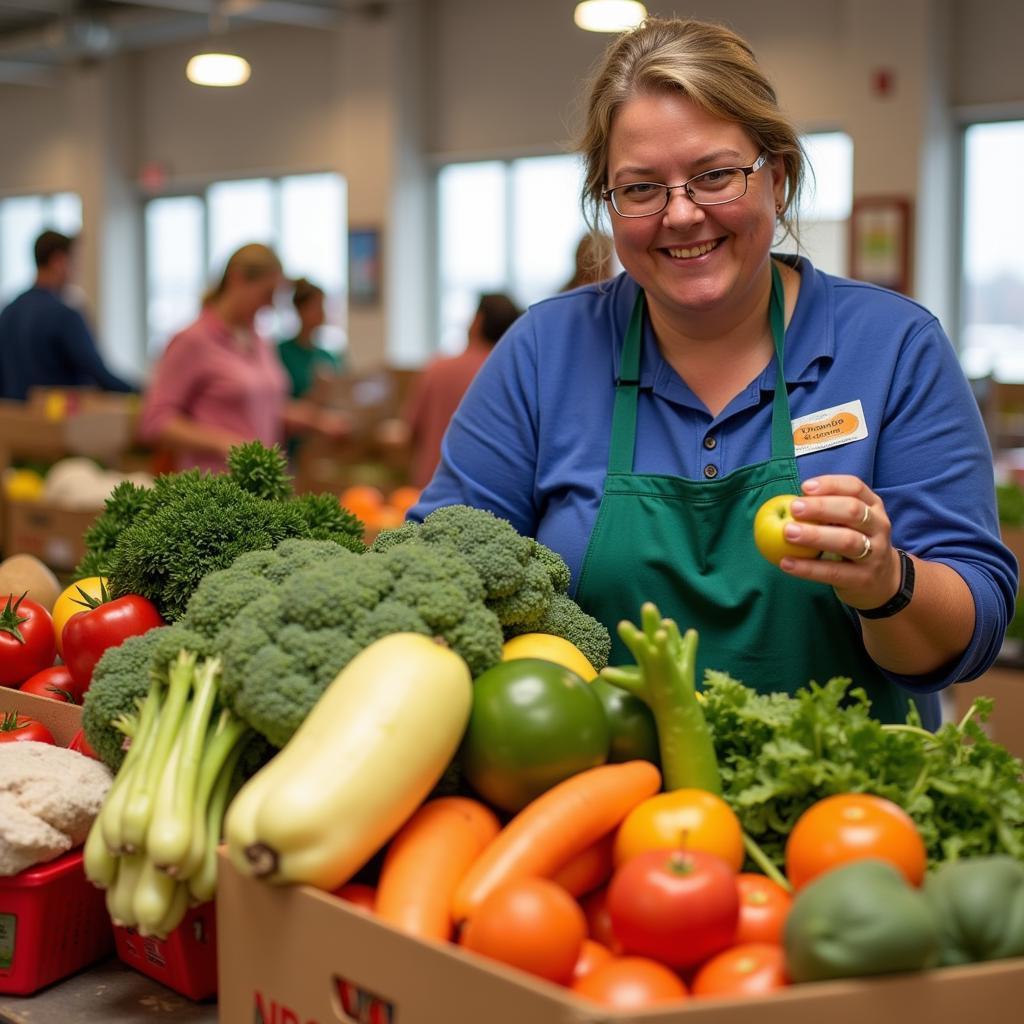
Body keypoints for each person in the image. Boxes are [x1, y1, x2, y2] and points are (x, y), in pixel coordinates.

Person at [411, 17, 1018, 729]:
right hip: (600, 806)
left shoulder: (891, 348)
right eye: (641, 189)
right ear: (609, 205)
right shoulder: (544, 352)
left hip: (843, 816)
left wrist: (887, 581)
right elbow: (437, 575)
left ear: (778, 178)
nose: (681, 214)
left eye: (714, 175)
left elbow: (968, 631)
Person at [139, 243, 348, 473]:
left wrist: (317, 421)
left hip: (261, 486)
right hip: (214, 489)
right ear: (237, 279)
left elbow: (264, 406)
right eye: (267, 293)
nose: (271, 305)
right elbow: (155, 422)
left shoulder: (259, 341)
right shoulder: (192, 341)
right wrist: (225, 443)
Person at [398, 293, 521, 489]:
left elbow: (411, 430)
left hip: (433, 488)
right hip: (491, 494)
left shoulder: (438, 369)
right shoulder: (515, 375)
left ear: (477, 322)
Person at [0, 230, 135, 400]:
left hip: (14, 422)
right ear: (59, 261)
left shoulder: (8, 311)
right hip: (57, 422)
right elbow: (99, 374)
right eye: (75, 262)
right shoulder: (64, 315)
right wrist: (146, 393)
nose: (77, 270)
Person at [277, 277, 342, 398]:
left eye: (323, 306)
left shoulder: (329, 357)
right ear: (300, 310)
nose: (322, 312)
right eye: (316, 306)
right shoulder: (281, 353)